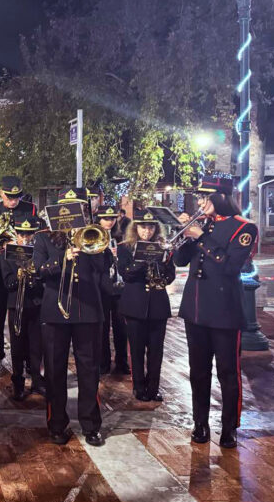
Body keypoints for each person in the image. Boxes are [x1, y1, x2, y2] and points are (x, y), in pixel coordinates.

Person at [174, 177, 257, 449]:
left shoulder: (244, 228)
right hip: (195, 311)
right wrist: (184, 234)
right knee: (198, 372)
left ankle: (229, 427)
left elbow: (230, 266)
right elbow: (180, 260)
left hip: (224, 313)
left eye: (204, 197)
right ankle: (200, 423)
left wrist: (201, 237)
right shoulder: (204, 225)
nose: (200, 202)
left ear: (221, 197)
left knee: (227, 373)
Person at [33, 187, 106, 447]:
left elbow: (103, 267)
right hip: (55, 312)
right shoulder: (43, 238)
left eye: (80, 208)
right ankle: (56, 424)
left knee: (89, 371)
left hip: (88, 312)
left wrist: (87, 246)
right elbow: (39, 270)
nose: (75, 213)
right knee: (55, 371)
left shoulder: (93, 234)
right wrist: (62, 258)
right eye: (70, 208)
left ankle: (91, 425)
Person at [117, 210, 175, 402]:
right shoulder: (125, 248)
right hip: (135, 304)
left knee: (156, 350)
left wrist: (162, 268)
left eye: (151, 227)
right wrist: (141, 262)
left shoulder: (163, 247)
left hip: (158, 304)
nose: (147, 231)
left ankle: (153, 388)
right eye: (143, 227)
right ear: (136, 228)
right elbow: (125, 274)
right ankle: (139, 386)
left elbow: (171, 275)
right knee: (136, 349)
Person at [0, 175, 37, 372]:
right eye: (9, 197)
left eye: (17, 197)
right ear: (1, 193)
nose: (14, 201)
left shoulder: (30, 209)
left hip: (21, 269)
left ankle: (26, 357)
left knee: (25, 314)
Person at [0, 217, 46, 401]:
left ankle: (37, 381)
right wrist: (18, 276)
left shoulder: (39, 252)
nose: (25, 238)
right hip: (16, 305)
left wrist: (34, 277)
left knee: (36, 346)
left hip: (35, 303)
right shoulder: (7, 253)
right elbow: (7, 283)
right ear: (16, 234)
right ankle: (18, 383)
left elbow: (44, 279)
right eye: (22, 234)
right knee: (17, 347)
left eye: (29, 234)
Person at [95, 205, 129, 375]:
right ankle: (103, 362)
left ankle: (122, 362)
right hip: (102, 287)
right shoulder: (94, 237)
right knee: (102, 328)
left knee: (121, 328)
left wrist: (117, 255)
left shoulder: (121, 237)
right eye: (105, 219)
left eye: (112, 218)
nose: (109, 222)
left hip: (119, 288)